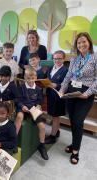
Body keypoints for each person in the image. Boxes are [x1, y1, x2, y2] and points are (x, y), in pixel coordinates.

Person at [59, 32, 97, 164]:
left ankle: (76, 150)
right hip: (71, 92)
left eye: (84, 41)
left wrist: (88, 93)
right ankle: (74, 143)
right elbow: (69, 75)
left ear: (89, 43)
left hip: (85, 94)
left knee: (78, 121)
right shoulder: (74, 59)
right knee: (72, 120)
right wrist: (62, 89)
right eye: (79, 43)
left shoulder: (95, 57)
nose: (81, 44)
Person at [15, 67, 48, 160]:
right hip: (23, 108)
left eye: (32, 78)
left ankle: (42, 145)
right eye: (28, 78)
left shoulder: (38, 89)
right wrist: (22, 106)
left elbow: (39, 100)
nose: (30, 80)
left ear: (36, 78)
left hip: (33, 109)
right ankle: (13, 140)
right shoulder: (21, 87)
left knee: (42, 126)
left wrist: (38, 106)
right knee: (19, 117)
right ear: (25, 78)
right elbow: (17, 100)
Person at [45, 50, 68, 144]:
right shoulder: (50, 68)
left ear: (63, 59)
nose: (57, 60)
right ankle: (57, 131)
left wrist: (57, 85)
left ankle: (53, 136)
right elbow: (47, 79)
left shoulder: (66, 70)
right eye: (55, 58)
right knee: (53, 114)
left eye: (59, 58)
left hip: (58, 96)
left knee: (55, 116)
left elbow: (67, 85)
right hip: (50, 95)